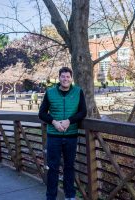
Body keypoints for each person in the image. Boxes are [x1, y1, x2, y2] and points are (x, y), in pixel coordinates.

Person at [38, 67, 87, 200]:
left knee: (69, 167)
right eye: (63, 76)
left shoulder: (78, 92)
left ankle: (70, 195)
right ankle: (51, 197)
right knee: (53, 168)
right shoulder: (50, 93)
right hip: (53, 136)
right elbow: (41, 113)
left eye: (68, 77)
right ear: (59, 78)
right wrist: (53, 122)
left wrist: (69, 121)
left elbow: (83, 112)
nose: (65, 79)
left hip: (71, 136)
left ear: (71, 78)